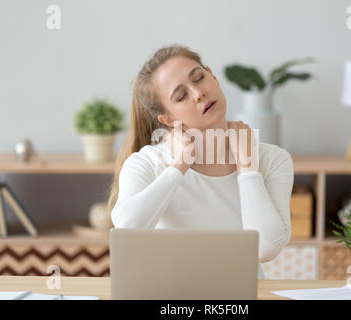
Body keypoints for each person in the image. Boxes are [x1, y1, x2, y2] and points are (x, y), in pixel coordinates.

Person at [107, 44, 294, 279]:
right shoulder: (146, 163)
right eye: (181, 96)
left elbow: (266, 248)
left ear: (213, 77)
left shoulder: (273, 160)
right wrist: (179, 167)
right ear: (168, 118)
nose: (198, 93)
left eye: (199, 78)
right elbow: (127, 231)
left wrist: (247, 168)